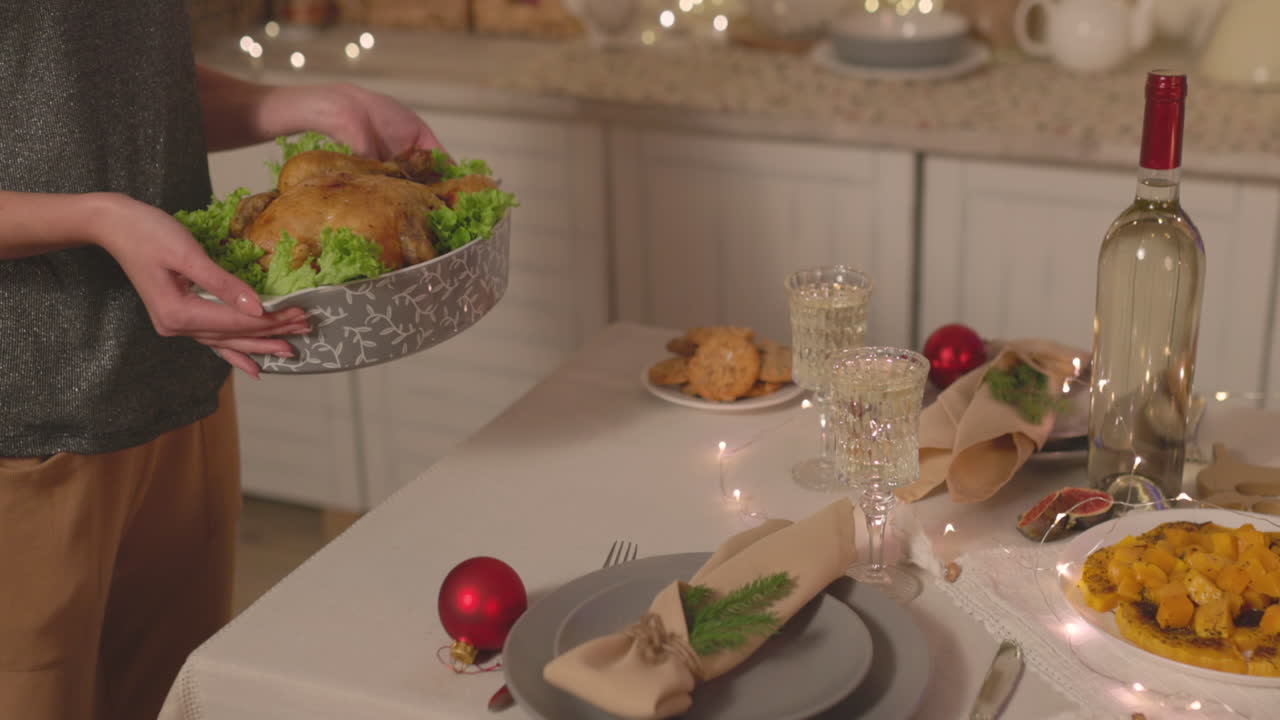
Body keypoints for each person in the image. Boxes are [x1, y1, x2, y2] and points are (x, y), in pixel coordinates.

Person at [0, 3, 443, 718]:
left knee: (180, 701)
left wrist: (301, 104)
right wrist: (100, 218)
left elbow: (120, 92)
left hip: (182, 395)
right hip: (26, 429)